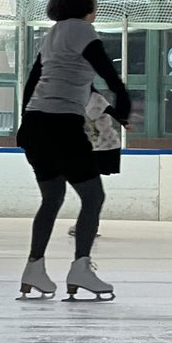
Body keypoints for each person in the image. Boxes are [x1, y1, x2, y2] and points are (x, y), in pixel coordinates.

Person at [16, 0, 130, 301]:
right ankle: (80, 267)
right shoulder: (81, 29)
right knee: (93, 198)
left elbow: (33, 81)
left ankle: (33, 267)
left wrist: (24, 123)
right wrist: (123, 102)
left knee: (52, 198)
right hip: (61, 125)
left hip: (37, 124)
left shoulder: (52, 34)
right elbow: (107, 71)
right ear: (87, 2)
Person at [67, 87, 123, 239]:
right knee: (93, 194)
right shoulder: (75, 99)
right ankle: (86, 225)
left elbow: (109, 110)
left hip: (100, 149)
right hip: (93, 149)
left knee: (94, 194)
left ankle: (87, 225)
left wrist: (124, 121)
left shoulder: (90, 98)